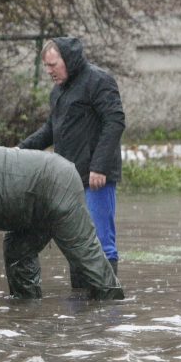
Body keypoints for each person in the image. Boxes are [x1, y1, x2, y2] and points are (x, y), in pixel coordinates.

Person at [0, 142, 124, 300]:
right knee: (17, 252)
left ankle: (114, 304)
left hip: (56, 180)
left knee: (83, 252)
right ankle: (27, 307)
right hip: (27, 211)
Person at [18, 36, 125, 285]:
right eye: (45, 66)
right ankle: (82, 308)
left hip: (97, 178)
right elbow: (50, 131)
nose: (48, 71)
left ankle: (107, 303)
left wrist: (99, 167)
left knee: (101, 242)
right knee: (76, 242)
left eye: (52, 65)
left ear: (69, 60)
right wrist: (19, 150)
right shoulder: (58, 92)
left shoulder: (99, 81)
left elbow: (115, 122)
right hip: (68, 180)